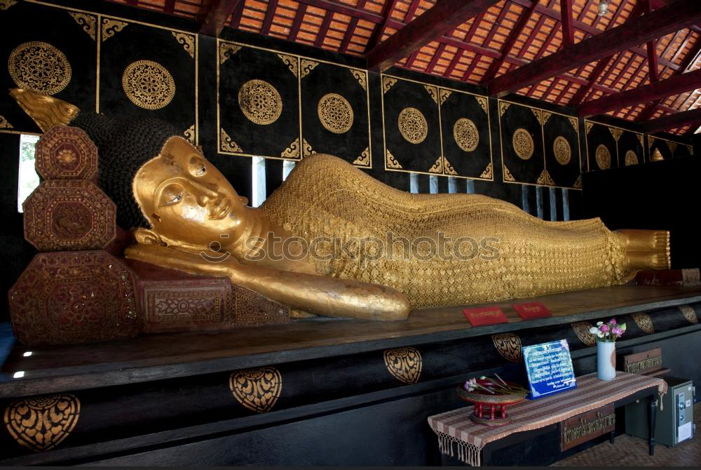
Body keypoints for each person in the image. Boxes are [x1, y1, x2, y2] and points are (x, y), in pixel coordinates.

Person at [11, 88, 670, 321]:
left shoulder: (313, 174)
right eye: (176, 198)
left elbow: (412, 209)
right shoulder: (269, 264)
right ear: (164, 231)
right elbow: (389, 303)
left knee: (615, 246)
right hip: (472, 272)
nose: (208, 189)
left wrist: (497, 215)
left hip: (485, 232)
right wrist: (234, 271)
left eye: (192, 163)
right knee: (622, 252)